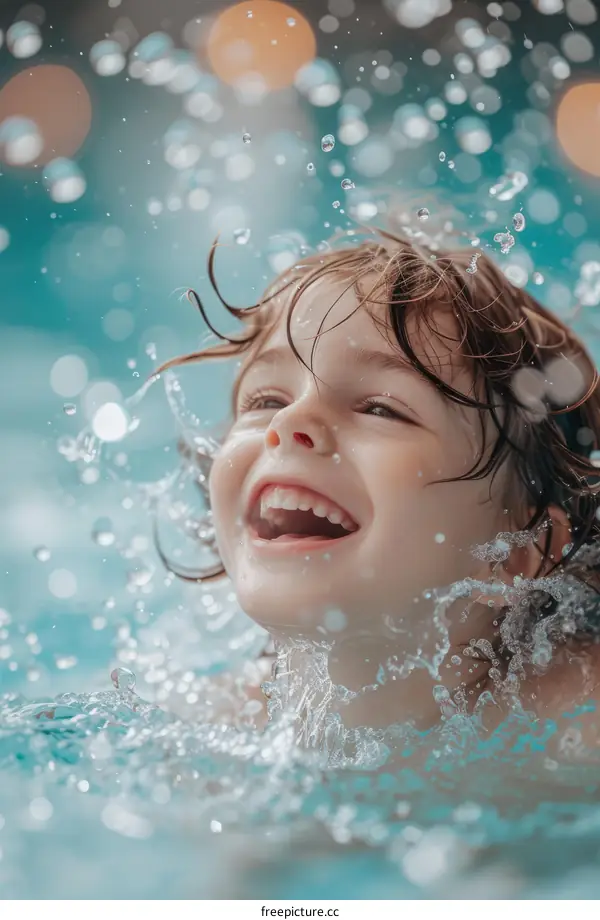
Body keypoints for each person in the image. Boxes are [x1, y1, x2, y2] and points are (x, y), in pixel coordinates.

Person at [155, 226, 600, 747]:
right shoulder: (206, 724)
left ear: (517, 552)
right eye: (267, 401)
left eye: (380, 408)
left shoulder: (577, 722)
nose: (290, 423)